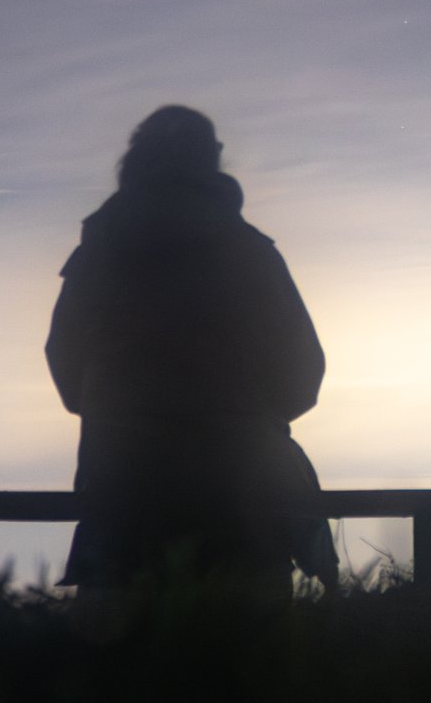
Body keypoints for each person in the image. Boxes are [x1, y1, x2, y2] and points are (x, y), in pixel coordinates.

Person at [45, 105, 338, 594]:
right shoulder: (251, 253)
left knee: (123, 658)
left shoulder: (96, 255)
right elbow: (303, 371)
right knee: (248, 657)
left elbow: (65, 363)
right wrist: (246, 419)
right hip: (243, 501)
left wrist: (121, 417)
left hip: (122, 496)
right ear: (211, 159)